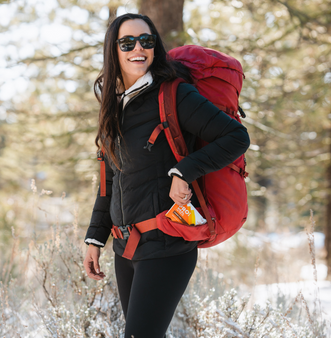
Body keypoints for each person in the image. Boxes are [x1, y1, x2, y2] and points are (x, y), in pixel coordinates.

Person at [82, 13, 250, 338]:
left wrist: (184, 171)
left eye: (146, 41)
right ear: (113, 51)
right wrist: (94, 238)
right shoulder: (115, 107)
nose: (138, 49)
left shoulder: (173, 94)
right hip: (124, 249)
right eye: (127, 42)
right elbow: (110, 182)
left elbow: (235, 138)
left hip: (167, 246)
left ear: (155, 46)